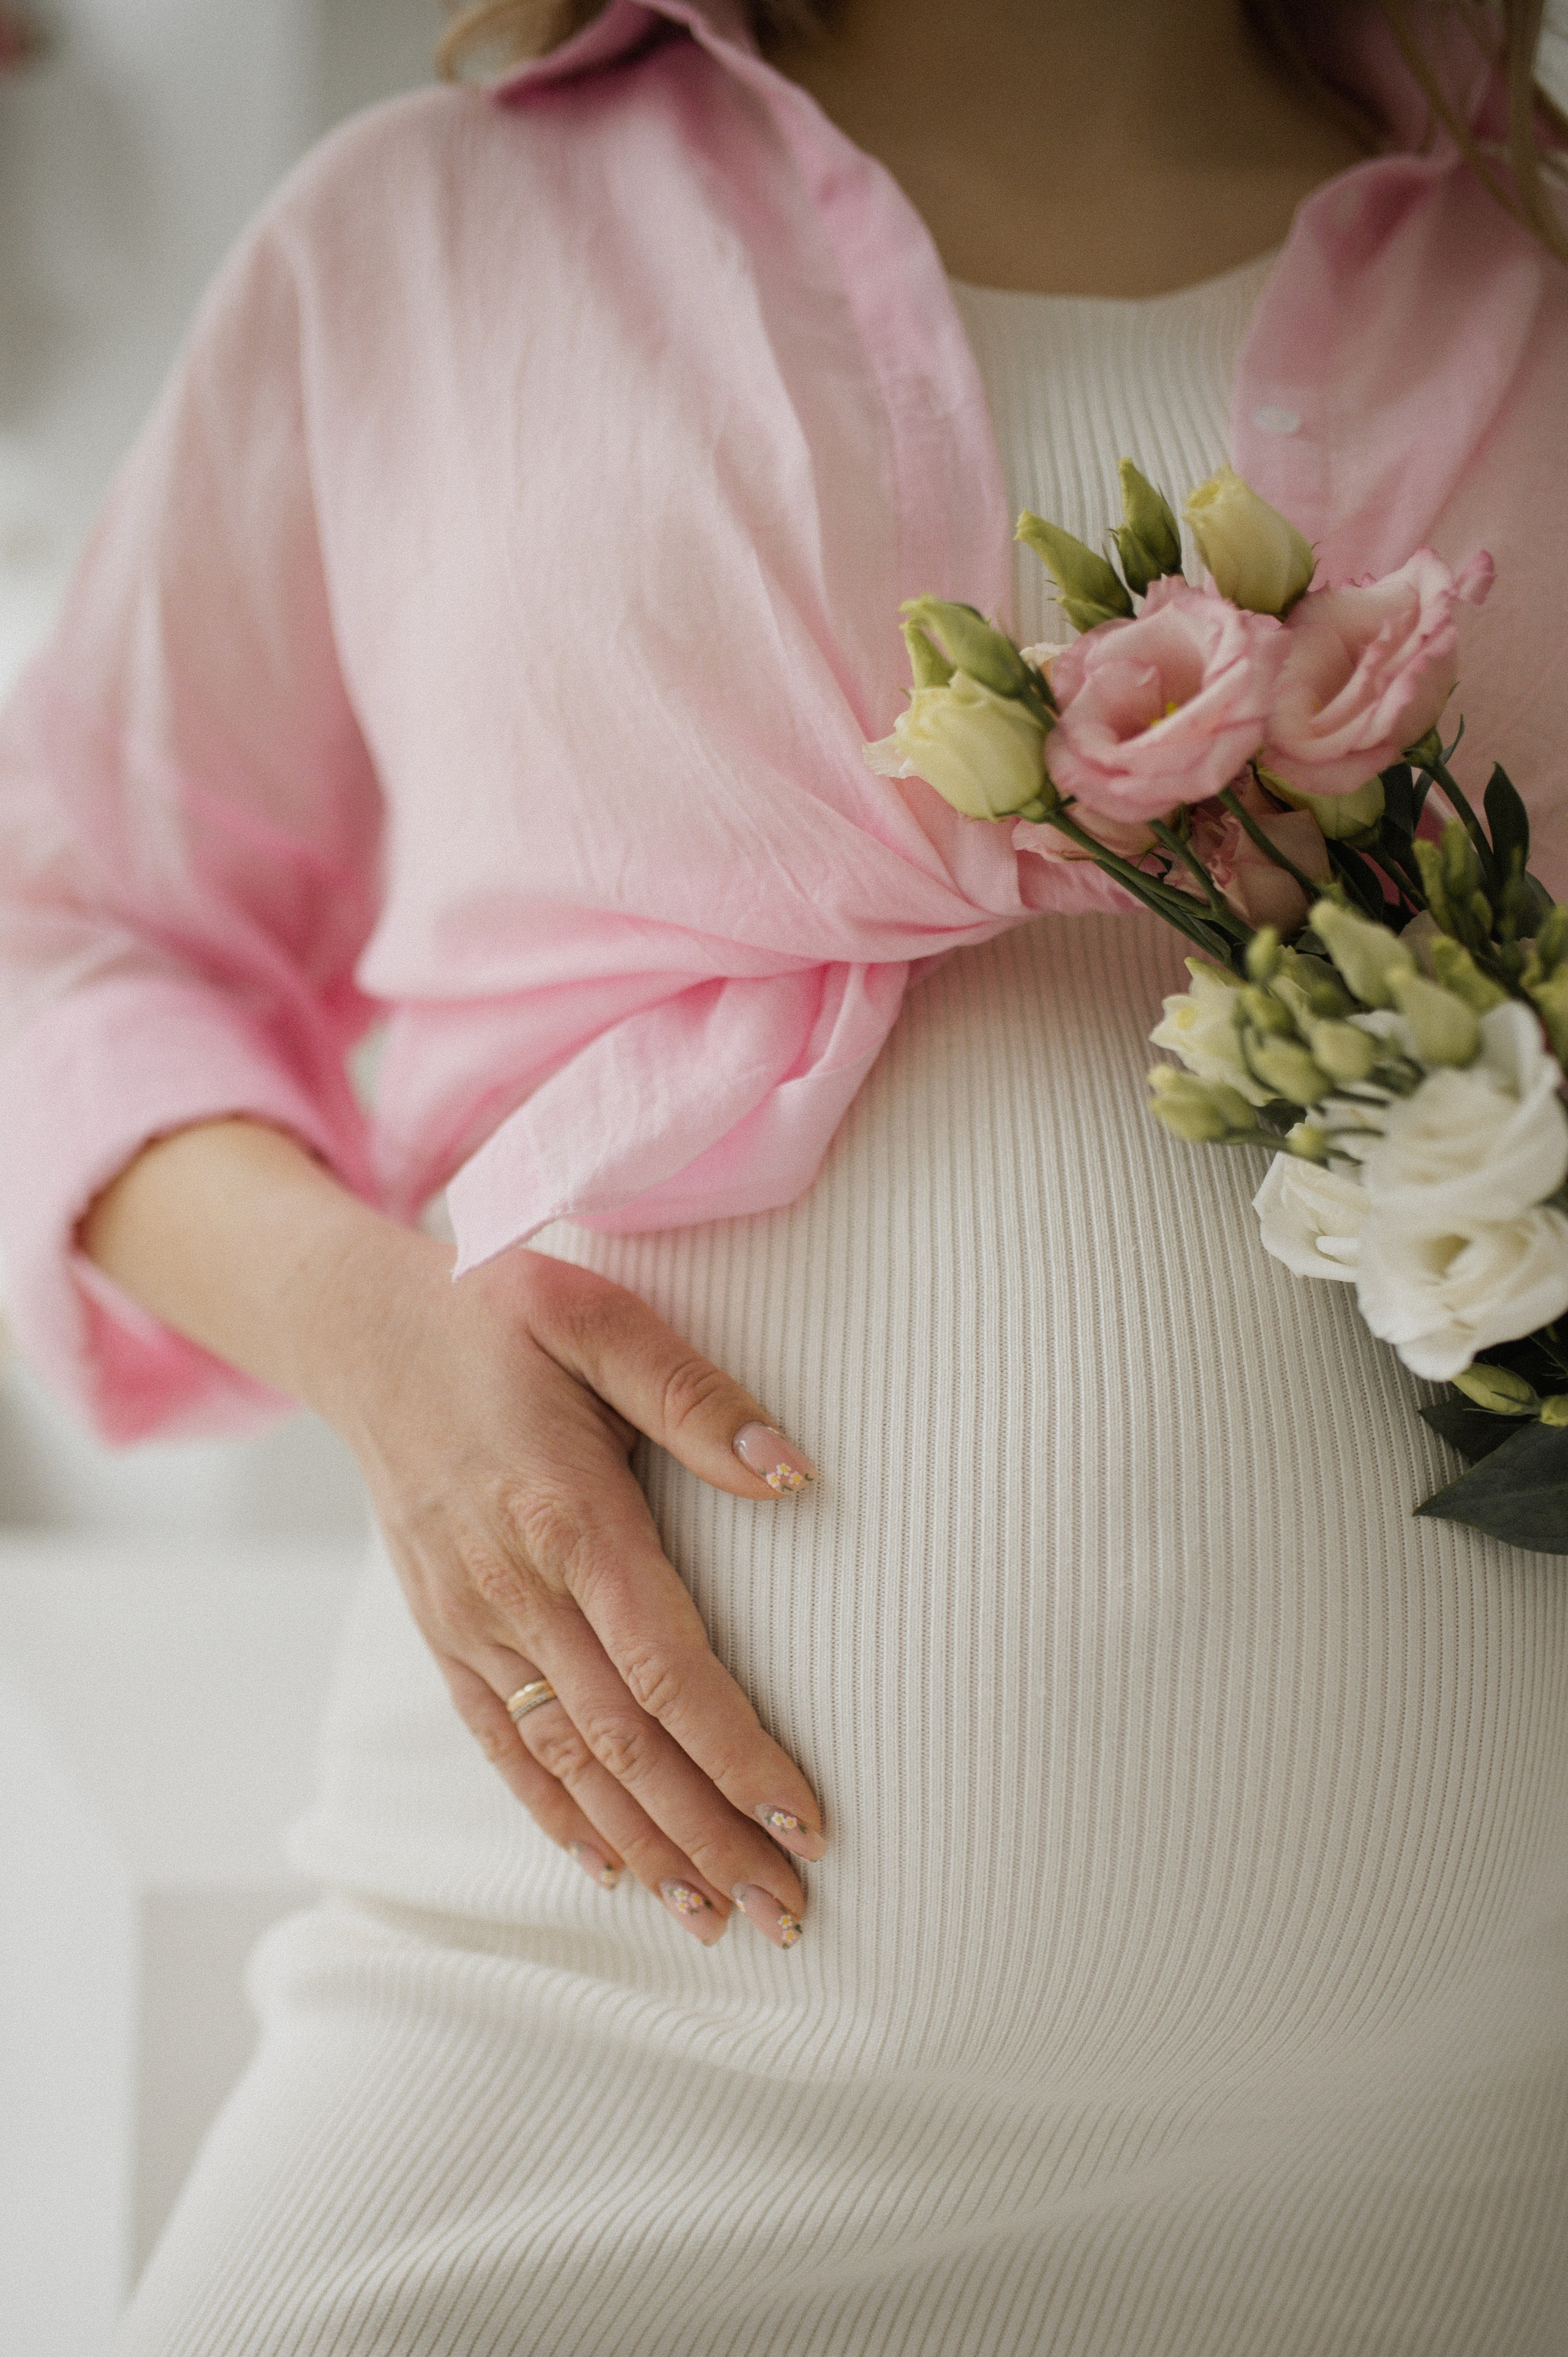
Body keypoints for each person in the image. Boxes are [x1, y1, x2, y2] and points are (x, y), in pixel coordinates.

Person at [1, 0, 1564, 2348]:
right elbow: (71, 935)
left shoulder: (1537, 269)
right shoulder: (426, 239)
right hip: (578, 2018)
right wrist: (379, 1346)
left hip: (1468, 2103)